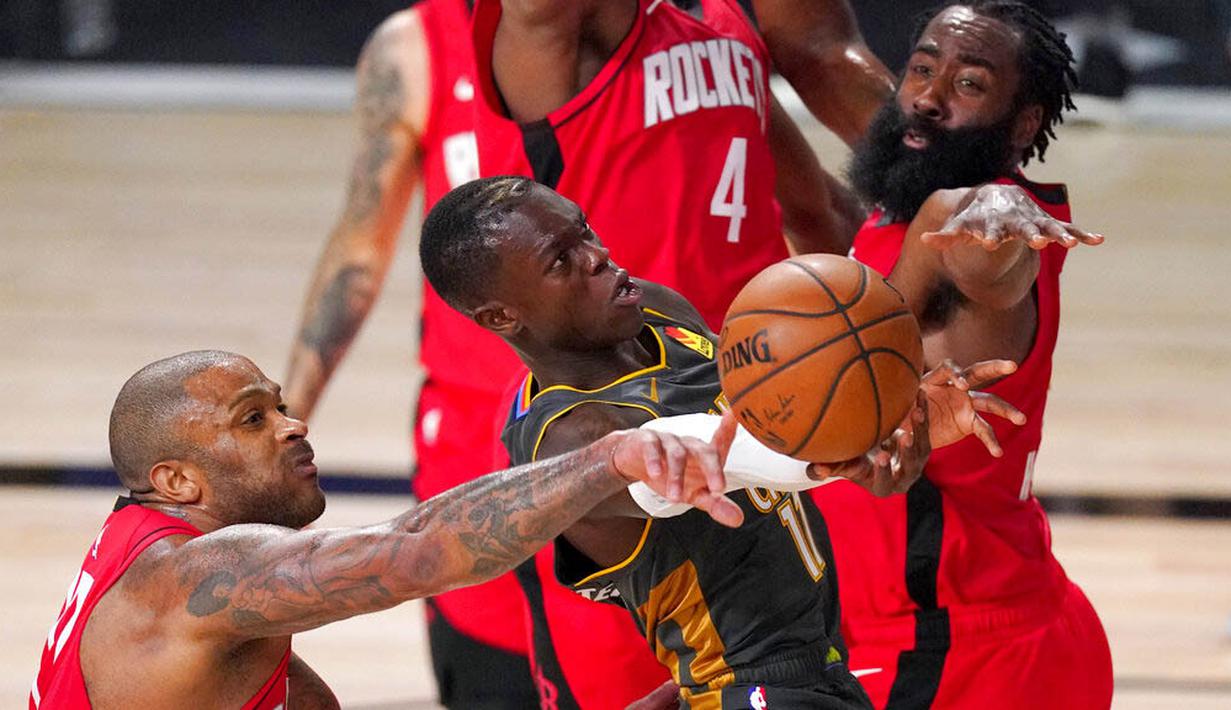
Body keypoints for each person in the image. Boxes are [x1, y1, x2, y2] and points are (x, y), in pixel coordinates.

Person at [418, 176, 1030, 707]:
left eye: (584, 231)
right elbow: (713, 452)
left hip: (820, 665)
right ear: (501, 317)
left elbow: (780, 417)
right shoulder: (567, 440)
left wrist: (880, 430)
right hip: (747, 683)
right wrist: (849, 447)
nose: (599, 256)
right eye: (561, 261)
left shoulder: (654, 312)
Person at [30, 350, 743, 709]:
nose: (292, 425)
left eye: (278, 407)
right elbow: (417, 554)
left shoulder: (149, 546)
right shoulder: (196, 579)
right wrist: (609, 458)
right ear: (177, 481)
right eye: (253, 420)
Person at [811, 2, 1113, 708]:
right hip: (960, 625)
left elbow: (992, 261)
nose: (927, 97)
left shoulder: (979, 223)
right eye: (920, 69)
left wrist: (993, 217)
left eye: (969, 84)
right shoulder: (899, 205)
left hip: (957, 653)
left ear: (1024, 123)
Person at [281, 1, 542, 705]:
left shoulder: (672, 37)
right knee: (499, 675)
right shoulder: (416, 48)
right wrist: (284, 420)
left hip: (644, 427)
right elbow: (360, 246)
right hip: (477, 445)